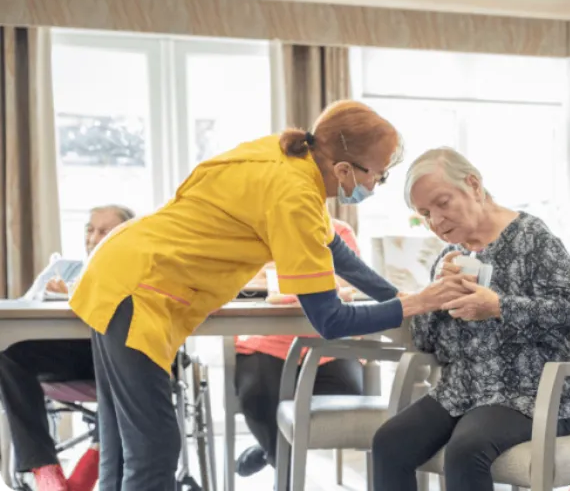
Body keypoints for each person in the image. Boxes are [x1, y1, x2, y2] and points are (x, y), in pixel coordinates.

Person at [67, 101, 471, 491]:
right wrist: (414, 305)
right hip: (140, 287)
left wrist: (400, 294)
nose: (375, 187)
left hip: (121, 269)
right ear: (344, 169)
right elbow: (329, 320)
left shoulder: (290, 161)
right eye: (377, 177)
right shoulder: (294, 196)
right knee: (154, 447)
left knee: (123, 445)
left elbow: (336, 252)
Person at [371, 148, 570, 491]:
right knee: (388, 442)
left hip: (530, 394)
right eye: (425, 214)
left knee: (466, 449)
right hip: (461, 392)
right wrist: (435, 295)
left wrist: (500, 306)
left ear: (473, 185)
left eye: (442, 203)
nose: (436, 221)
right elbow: (426, 342)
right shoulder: (450, 257)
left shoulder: (532, 237)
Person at [0, 205, 134, 491]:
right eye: (90, 229)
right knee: (8, 356)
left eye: (104, 231)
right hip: (69, 354)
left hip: (118, 355)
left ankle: (90, 465)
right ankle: (44, 469)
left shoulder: (136, 269)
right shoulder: (64, 269)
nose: (93, 237)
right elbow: (28, 308)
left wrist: (76, 296)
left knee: (128, 366)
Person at [232, 217, 371, 477]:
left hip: (329, 342)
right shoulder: (252, 231)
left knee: (347, 393)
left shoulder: (338, 231)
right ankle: (284, 473)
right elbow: (239, 283)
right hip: (266, 340)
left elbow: (350, 284)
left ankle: (269, 451)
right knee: (258, 395)